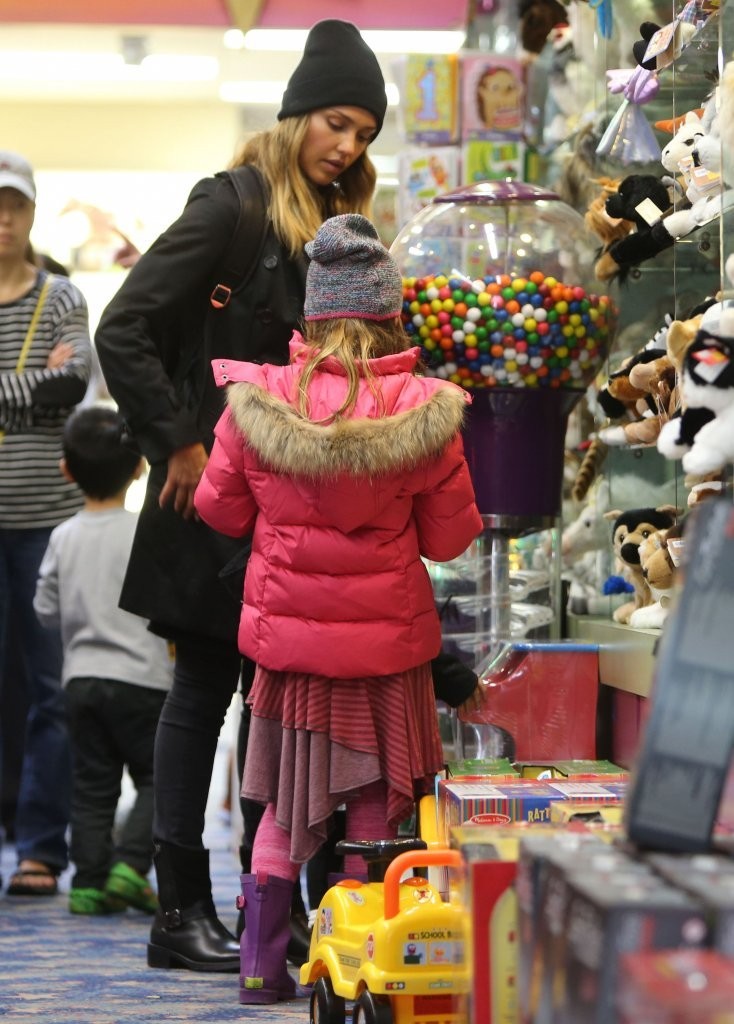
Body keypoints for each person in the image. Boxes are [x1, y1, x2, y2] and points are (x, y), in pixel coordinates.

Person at [93, 19, 388, 972]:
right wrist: (171, 442)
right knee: (205, 693)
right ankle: (180, 909)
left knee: (275, 705)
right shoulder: (234, 207)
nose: (346, 146)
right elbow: (124, 323)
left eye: (364, 134)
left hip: (287, 510)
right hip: (205, 499)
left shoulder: (329, 227)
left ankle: (267, 911)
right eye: (336, 123)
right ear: (299, 110)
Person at [194, 212, 484, 1004]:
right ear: (389, 312)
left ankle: (259, 966)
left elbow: (219, 512)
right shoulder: (426, 409)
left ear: (311, 311)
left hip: (287, 652)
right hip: (387, 653)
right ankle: (360, 966)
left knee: (285, 807)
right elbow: (452, 537)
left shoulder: (258, 400)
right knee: (372, 803)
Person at [33, 405, 174, 916]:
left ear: (67, 470)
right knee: (159, 777)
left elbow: (45, 608)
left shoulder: (62, 536)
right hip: (144, 678)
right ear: (140, 466)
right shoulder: (144, 531)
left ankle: (88, 883)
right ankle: (129, 866)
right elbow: (166, 601)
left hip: (81, 681)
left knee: (92, 786)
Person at [0, 150, 92, 897]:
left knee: (49, 689)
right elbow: (48, 386)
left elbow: (73, 383)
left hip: (45, 525)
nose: (3, 218)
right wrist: (34, 389)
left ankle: (39, 848)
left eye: (15, 205)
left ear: (32, 214)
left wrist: (36, 388)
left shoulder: (62, 297)